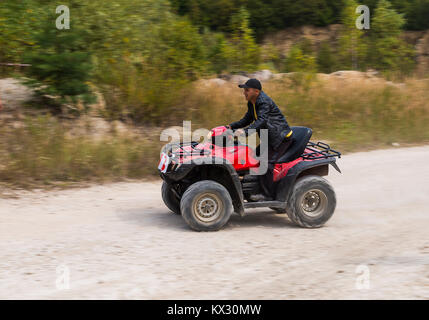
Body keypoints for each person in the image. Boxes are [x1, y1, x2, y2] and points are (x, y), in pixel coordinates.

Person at [226, 78, 293, 201]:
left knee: (265, 164)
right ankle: (253, 188)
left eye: (247, 90)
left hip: (280, 138)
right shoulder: (252, 103)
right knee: (252, 158)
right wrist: (230, 126)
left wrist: (245, 132)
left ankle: (268, 195)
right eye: (244, 90)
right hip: (270, 139)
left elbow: (261, 121)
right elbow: (246, 119)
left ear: (256, 91)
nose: (244, 92)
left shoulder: (263, 102)